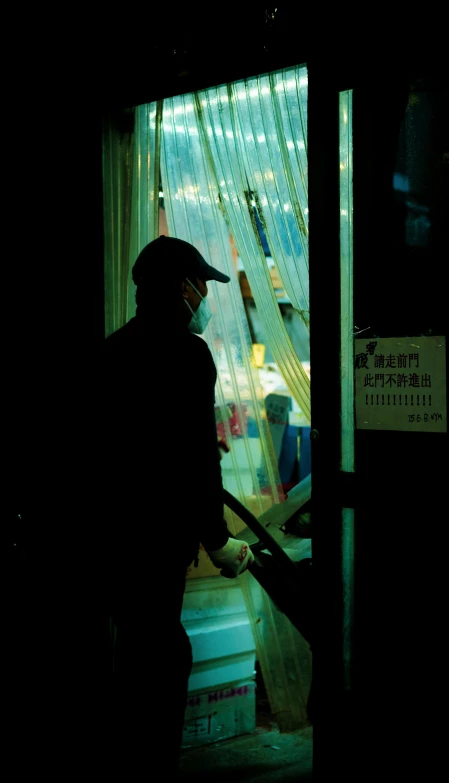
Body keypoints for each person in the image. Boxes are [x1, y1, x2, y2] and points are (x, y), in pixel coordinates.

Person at [102, 235, 254, 776]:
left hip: (113, 539)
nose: (204, 298)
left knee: (137, 654)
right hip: (159, 542)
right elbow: (195, 458)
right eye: (201, 286)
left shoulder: (111, 351)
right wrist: (217, 539)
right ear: (183, 289)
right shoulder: (189, 355)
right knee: (163, 659)